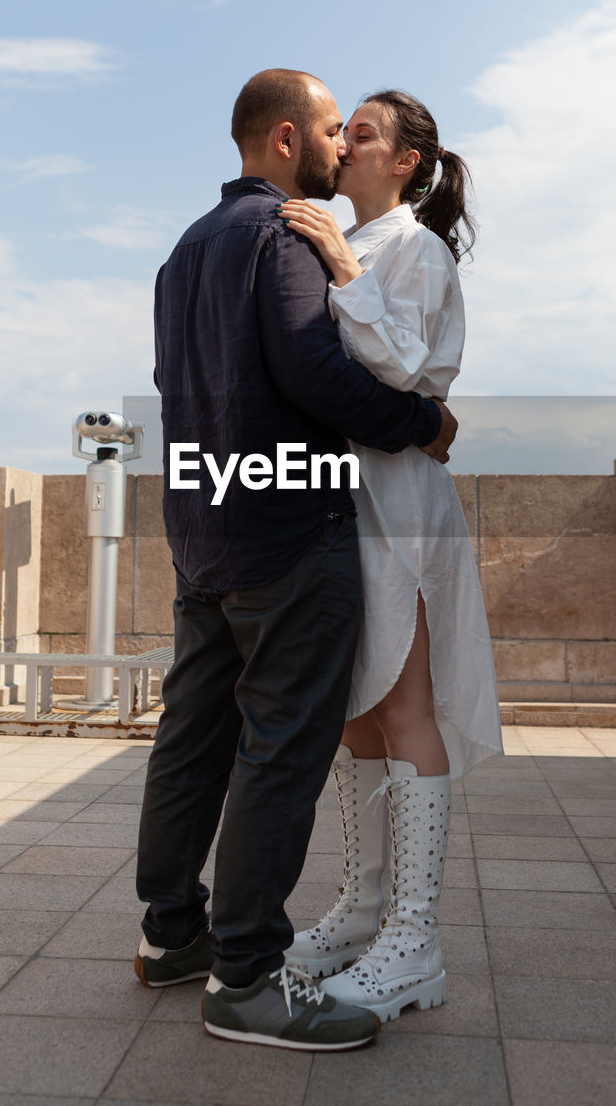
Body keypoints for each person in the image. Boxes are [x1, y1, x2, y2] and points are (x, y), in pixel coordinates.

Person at [133, 69, 458, 1052]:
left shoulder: (184, 249)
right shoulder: (283, 233)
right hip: (283, 538)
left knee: (193, 741)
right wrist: (420, 421)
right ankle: (245, 979)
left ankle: (169, 935)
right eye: (327, 128)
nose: (335, 144)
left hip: (202, 531)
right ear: (284, 141)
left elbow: (173, 385)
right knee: (278, 752)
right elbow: (315, 372)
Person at [278, 90, 504, 1022]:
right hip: (338, 506)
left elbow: (409, 373)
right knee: (353, 714)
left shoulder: (413, 247)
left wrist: (335, 259)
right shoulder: (361, 242)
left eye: (361, 131)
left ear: (406, 160)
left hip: (397, 501)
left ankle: (414, 936)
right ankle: (362, 905)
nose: (345, 140)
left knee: (405, 705)